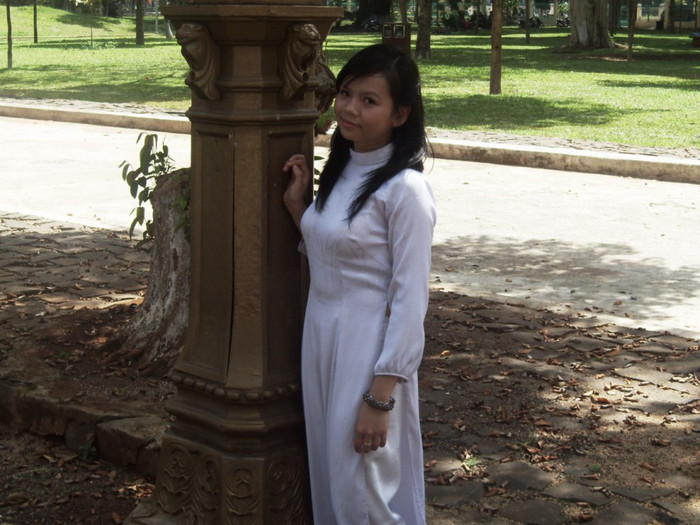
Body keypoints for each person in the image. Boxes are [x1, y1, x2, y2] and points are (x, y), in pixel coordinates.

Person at [282, 44, 436, 524]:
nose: (349, 108)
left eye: (370, 101)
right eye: (346, 93)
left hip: (367, 349)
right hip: (321, 337)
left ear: (399, 115)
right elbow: (336, 253)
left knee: (364, 486)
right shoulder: (344, 168)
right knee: (331, 474)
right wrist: (299, 209)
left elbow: (410, 300)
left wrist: (380, 396)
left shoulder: (405, 191)